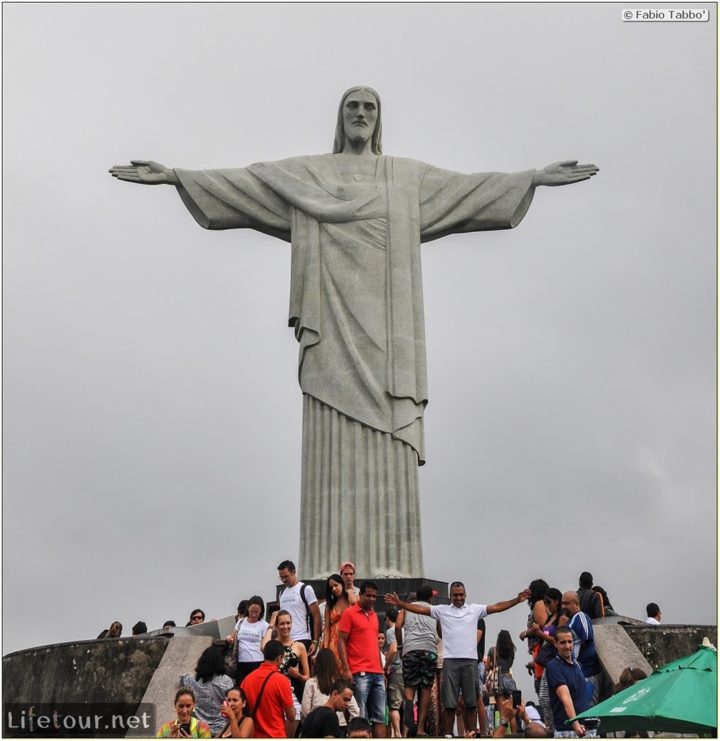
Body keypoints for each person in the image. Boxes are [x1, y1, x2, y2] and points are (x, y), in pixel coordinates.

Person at [110, 87, 598, 581]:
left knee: (389, 423)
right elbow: (247, 185)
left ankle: (393, 565)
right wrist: (176, 176)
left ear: (378, 119)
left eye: (369, 108)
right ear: (340, 117)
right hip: (330, 333)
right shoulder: (309, 176)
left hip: (390, 336)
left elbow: (469, 190)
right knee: (329, 426)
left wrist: (533, 178)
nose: (360, 114)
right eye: (352, 107)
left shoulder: (407, 178)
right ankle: (327, 567)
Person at [386, 583, 531, 737]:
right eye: (455, 595)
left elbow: (496, 607)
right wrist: (400, 604)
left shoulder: (474, 610)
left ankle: (472, 733)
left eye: (461, 594)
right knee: (449, 702)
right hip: (450, 661)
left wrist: (517, 600)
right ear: (450, 596)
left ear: (465, 594)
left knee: (471, 702)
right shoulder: (442, 610)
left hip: (469, 662)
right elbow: (421, 609)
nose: (458, 598)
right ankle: (448, 734)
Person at [338, 581, 387, 738]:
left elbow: (374, 644)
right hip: (360, 672)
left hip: (377, 672)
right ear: (360, 595)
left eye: (374, 596)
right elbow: (341, 641)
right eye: (369, 596)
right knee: (360, 716)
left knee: (380, 717)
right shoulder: (349, 613)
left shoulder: (373, 615)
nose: (372, 599)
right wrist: (346, 669)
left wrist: (382, 670)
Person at [394, 584, 437, 737]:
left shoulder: (406, 608)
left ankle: (409, 702)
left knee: (410, 685)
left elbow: (398, 627)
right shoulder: (434, 610)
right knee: (426, 688)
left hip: (410, 649)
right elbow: (441, 632)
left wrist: (400, 645)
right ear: (430, 597)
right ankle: (420, 729)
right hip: (429, 650)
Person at [241, 640, 297, 738]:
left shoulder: (247, 679)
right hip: (275, 735)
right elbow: (291, 716)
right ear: (279, 658)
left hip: (253, 735)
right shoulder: (282, 681)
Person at [262, 609, 310, 719]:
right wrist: (270, 625)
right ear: (277, 625)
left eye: (288, 623)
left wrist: (298, 675)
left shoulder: (299, 646)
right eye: (282, 623)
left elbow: (308, 677)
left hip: (293, 693)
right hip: (274, 691)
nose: (285, 627)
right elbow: (263, 648)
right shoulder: (273, 645)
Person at [544, 626, 591, 738]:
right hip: (568, 730)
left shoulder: (577, 665)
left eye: (570, 642)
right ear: (555, 643)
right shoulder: (554, 666)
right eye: (563, 642)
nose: (567, 646)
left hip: (585, 727)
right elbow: (565, 697)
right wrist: (575, 723)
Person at [180, 646, 235, 736]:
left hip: (200, 729)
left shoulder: (192, 679)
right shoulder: (226, 681)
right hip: (222, 729)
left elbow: (182, 678)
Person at [301, 647, 360, 731]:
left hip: (317, 727)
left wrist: (310, 726)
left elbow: (305, 711)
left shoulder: (311, 683)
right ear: (334, 664)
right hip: (339, 725)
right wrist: (350, 731)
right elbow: (355, 710)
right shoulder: (340, 684)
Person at [561, 592, 601, 705]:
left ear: (577, 603)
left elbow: (588, 642)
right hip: (575, 675)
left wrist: (578, 668)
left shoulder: (580, 617)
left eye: (567, 603)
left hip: (586, 674)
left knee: (589, 711)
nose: (563, 607)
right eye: (562, 603)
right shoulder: (570, 621)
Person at [277, 560, 322, 654]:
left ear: (293, 572)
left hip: (302, 638)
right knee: (286, 668)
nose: (284, 580)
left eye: (286, 576)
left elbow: (316, 616)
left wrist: (315, 641)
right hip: (285, 639)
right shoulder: (282, 593)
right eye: (281, 577)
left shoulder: (305, 589)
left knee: (298, 668)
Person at [227, 595, 270, 685]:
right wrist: (229, 638)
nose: (254, 614)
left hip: (257, 662)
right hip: (241, 662)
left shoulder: (264, 625)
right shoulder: (241, 621)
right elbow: (233, 636)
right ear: (248, 609)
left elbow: (265, 644)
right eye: (252, 611)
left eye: (256, 612)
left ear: (261, 611)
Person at [323, 574, 352, 666]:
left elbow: (355, 604)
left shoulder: (350, 598)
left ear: (342, 584)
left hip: (350, 639)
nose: (334, 589)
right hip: (334, 641)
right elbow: (327, 629)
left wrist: (350, 592)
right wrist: (325, 648)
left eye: (336, 585)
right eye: (331, 588)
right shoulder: (329, 605)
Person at [383, 607, 404, 738]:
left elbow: (393, 649)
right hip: (408, 670)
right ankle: (405, 733)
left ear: (387, 619)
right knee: (407, 704)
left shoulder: (391, 631)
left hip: (397, 669)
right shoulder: (406, 630)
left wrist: (386, 665)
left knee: (394, 705)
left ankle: (397, 733)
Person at [486, 630, 517, 695]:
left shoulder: (492, 650)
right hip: (508, 679)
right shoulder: (511, 651)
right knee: (513, 702)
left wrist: (494, 666)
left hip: (497, 681)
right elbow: (510, 665)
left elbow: (487, 667)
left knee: (500, 704)